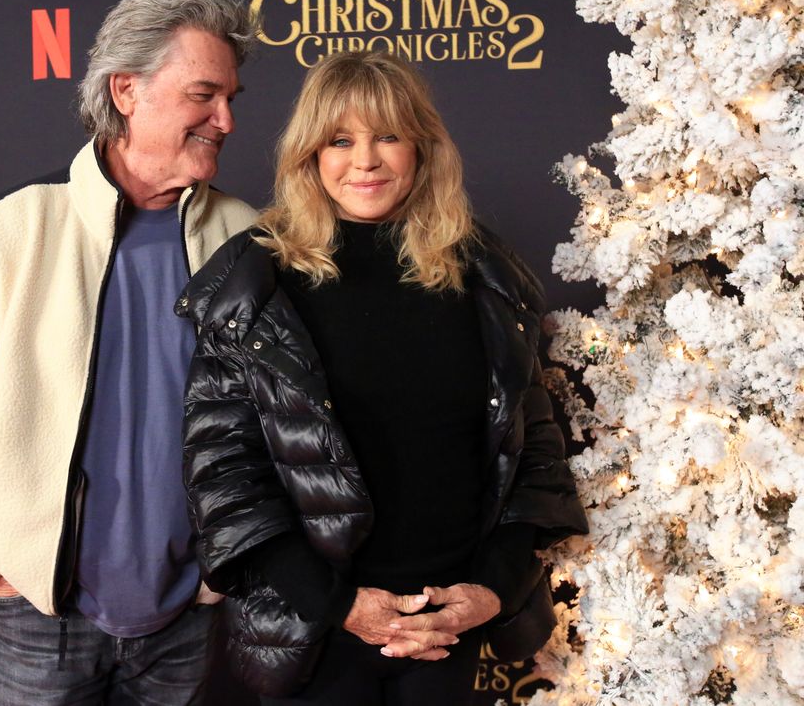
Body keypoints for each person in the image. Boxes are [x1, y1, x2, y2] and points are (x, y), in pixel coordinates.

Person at [175, 50, 589, 705]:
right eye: (341, 140)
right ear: (310, 153)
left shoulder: (484, 273)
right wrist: (342, 605)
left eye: (387, 136)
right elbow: (225, 479)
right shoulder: (255, 283)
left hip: (448, 632)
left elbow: (533, 451)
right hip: (318, 635)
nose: (364, 160)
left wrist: (489, 591)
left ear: (422, 148)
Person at [0, 0, 259, 705]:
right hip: (40, 620)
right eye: (203, 94)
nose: (225, 119)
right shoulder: (11, 229)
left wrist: (221, 571)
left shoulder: (249, 238)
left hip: (186, 616)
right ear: (127, 90)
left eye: (231, 98)